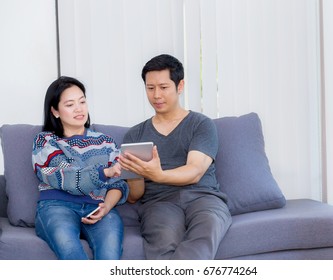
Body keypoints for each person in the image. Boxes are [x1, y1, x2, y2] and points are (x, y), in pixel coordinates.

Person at [118, 54, 232, 259]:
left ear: (180, 86)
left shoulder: (201, 124)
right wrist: (134, 173)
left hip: (203, 197)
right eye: (150, 88)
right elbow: (135, 196)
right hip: (160, 202)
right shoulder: (134, 135)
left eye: (163, 87)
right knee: (163, 239)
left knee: (208, 226)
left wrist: (158, 174)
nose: (156, 95)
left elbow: (195, 171)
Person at [32, 76, 128, 260]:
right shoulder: (45, 141)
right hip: (56, 207)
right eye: (70, 104)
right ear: (55, 111)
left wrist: (106, 207)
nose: (79, 108)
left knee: (110, 257)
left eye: (82, 101)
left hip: (98, 207)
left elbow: (119, 182)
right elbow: (66, 176)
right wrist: (105, 172)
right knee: (72, 255)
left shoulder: (105, 142)